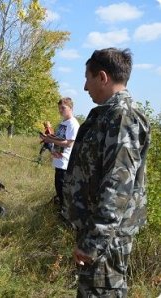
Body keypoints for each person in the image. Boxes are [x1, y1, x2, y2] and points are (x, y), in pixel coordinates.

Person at [64, 48, 150, 297]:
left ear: (102, 77)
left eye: (87, 78)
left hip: (107, 240)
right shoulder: (108, 116)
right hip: (99, 233)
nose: (84, 87)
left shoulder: (122, 118)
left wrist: (93, 241)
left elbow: (117, 187)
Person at [40, 97, 79, 219]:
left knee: (63, 191)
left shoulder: (73, 123)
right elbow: (59, 139)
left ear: (70, 108)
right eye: (59, 108)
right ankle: (61, 211)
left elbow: (69, 143)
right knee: (59, 188)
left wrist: (50, 139)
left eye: (63, 108)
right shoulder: (63, 123)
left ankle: (65, 215)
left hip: (65, 163)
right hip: (58, 161)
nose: (61, 111)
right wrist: (49, 137)